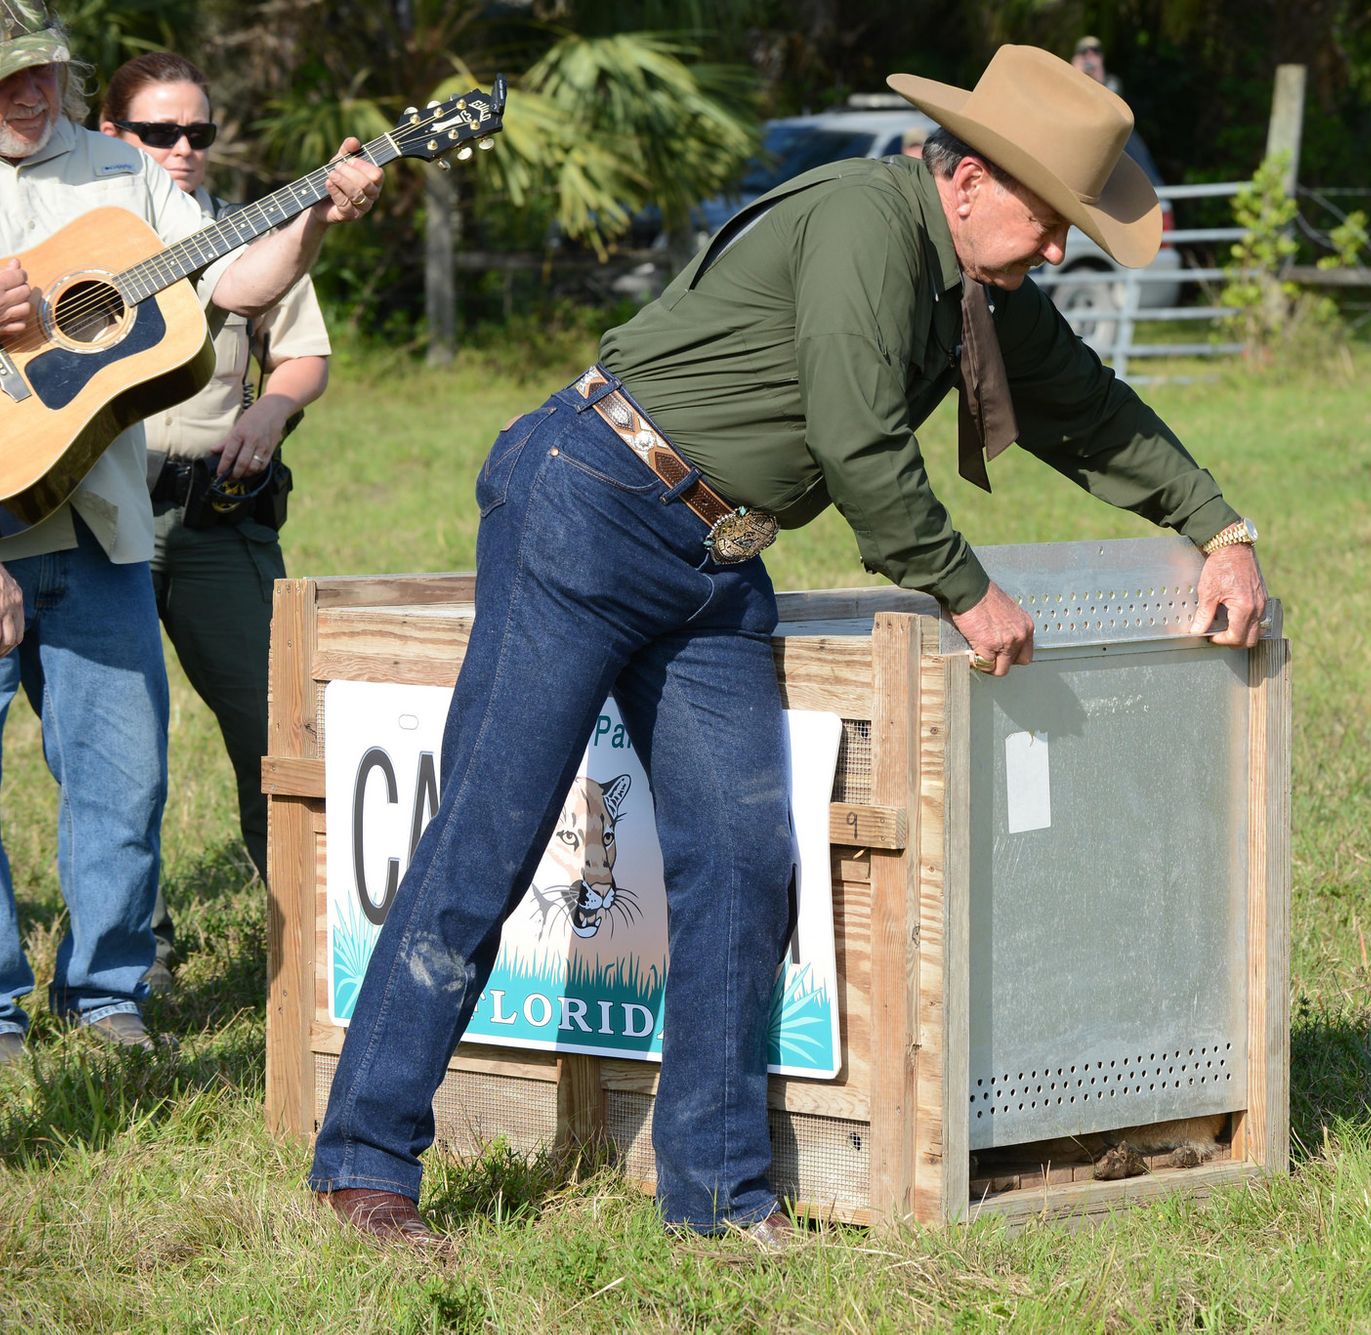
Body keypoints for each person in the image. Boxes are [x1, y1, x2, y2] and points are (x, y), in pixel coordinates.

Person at [308, 43, 1265, 1251]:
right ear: (970, 179)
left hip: (716, 556)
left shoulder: (975, 287)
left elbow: (1088, 408)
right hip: (589, 501)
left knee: (745, 859)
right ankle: (363, 1164)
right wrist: (964, 591)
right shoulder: (867, 221)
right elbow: (859, 444)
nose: (1059, 251)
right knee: (488, 836)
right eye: (1049, 220)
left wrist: (1217, 526)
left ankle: (714, 1197)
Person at [0, 0, 379, 1064]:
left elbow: (233, 282)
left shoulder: (120, 173)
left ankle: (108, 995)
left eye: (43, 73)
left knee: (125, 777)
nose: (30, 94)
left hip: (103, 525)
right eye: (7, 78)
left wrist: (312, 216)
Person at [98, 52, 334, 990]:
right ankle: (135, 946)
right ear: (110, 135)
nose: (183, 148)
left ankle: (305, 940)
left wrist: (272, 410)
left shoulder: (251, 234)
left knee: (273, 725)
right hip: (95, 518)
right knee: (115, 750)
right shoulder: (70, 234)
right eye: (160, 132)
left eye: (199, 131)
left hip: (212, 519)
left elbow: (301, 353)